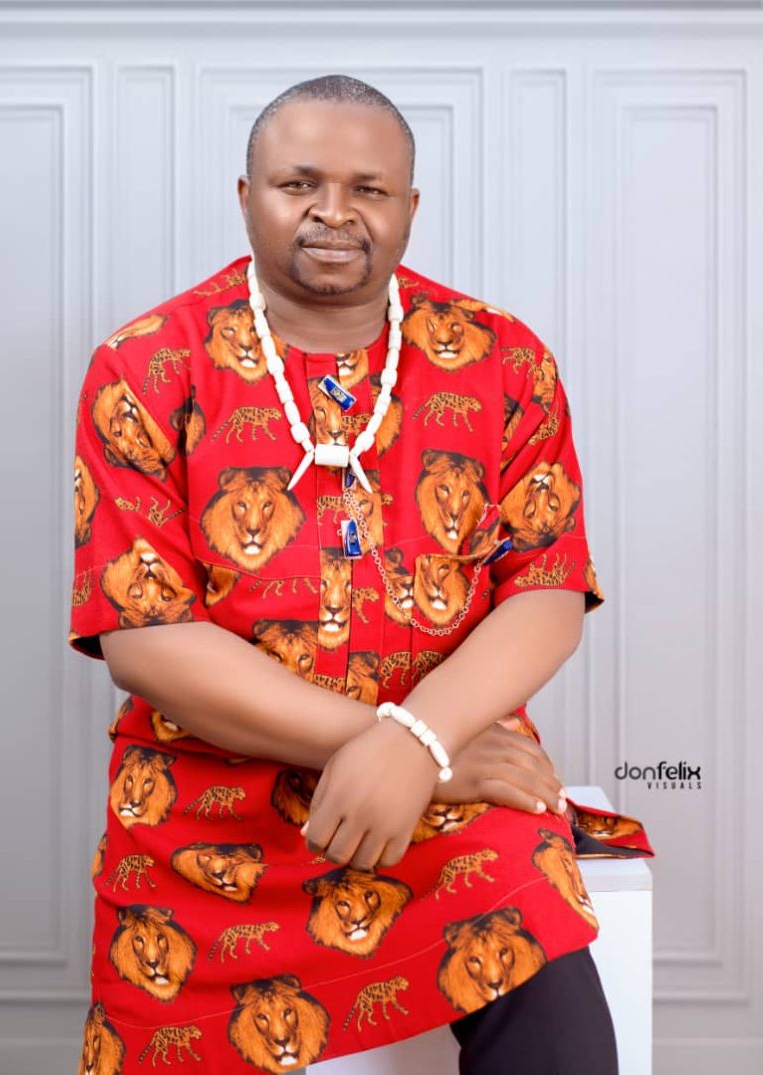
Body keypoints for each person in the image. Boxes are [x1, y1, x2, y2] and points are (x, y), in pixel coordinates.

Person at [70, 74, 652, 1075]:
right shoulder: (144, 365)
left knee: (554, 1007)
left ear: (409, 206)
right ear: (246, 195)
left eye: (368, 189)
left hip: (453, 786)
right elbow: (146, 637)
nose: (333, 213)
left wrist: (423, 744)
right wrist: (396, 747)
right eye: (299, 183)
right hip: (207, 801)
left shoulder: (504, 360)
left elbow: (547, 591)